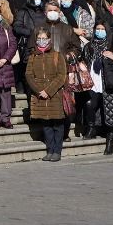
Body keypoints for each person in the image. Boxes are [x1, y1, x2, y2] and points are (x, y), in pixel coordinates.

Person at [25, 28, 69, 161]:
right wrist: (39, 91)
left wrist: (48, 91)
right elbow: (29, 75)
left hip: (55, 95)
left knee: (57, 124)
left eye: (44, 38)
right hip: (40, 96)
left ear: (49, 40)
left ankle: (57, 151)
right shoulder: (33, 56)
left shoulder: (57, 55)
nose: (41, 41)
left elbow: (61, 76)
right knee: (46, 124)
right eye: (39, 38)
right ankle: (50, 150)